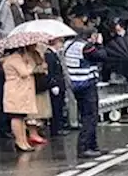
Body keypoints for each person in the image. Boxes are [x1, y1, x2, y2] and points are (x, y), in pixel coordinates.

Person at [64, 26, 105, 158]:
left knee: (86, 115)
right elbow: (101, 56)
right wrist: (99, 44)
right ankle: (84, 146)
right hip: (86, 83)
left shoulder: (68, 45)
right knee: (90, 116)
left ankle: (93, 145)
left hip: (74, 83)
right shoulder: (85, 47)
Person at [1, 47, 38, 153]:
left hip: (19, 90)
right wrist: (30, 63)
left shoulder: (15, 58)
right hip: (16, 90)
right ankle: (19, 141)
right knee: (16, 116)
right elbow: (25, 72)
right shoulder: (15, 59)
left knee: (21, 117)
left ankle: (23, 141)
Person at [45, 40, 68, 135]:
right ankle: (56, 128)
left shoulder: (54, 54)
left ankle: (59, 126)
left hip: (59, 84)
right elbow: (51, 71)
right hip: (56, 85)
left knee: (59, 106)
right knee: (56, 108)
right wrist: (53, 84)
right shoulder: (49, 55)